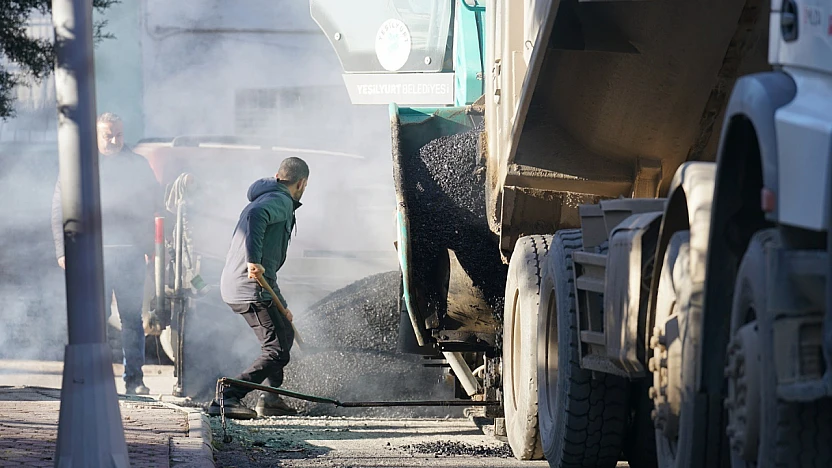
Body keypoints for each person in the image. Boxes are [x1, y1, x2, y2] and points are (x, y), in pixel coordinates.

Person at [51, 112, 159, 395]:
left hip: (130, 255)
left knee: (132, 319)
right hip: (91, 257)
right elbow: (59, 209)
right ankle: (94, 379)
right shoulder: (79, 167)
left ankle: (134, 381)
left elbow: (154, 205)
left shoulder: (138, 165)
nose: (114, 140)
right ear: (96, 136)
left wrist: (152, 247)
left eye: (119, 135)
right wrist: (64, 251)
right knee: (94, 319)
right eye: (108, 135)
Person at [208, 157, 309, 419]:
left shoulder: (270, 195)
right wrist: (253, 261)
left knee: (284, 333)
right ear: (302, 183)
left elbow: (268, 270)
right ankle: (227, 395)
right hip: (249, 287)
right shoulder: (280, 200)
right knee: (276, 351)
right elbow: (257, 216)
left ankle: (271, 398)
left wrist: (283, 307)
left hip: (247, 284)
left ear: (278, 175)